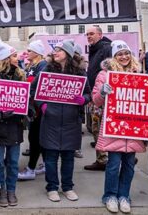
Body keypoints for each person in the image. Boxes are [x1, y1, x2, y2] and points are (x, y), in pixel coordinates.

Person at [31, 40, 91, 203]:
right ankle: (52, 187)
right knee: (50, 157)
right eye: (54, 50)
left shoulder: (79, 73)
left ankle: (67, 187)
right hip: (51, 119)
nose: (55, 52)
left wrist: (83, 100)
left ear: (68, 54)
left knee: (68, 157)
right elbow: (33, 90)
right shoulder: (46, 69)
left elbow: (88, 94)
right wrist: (41, 104)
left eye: (59, 50)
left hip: (71, 121)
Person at [92, 40, 146, 213]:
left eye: (126, 53)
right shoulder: (104, 75)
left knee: (129, 165)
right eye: (119, 54)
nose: (124, 57)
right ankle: (110, 196)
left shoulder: (138, 72)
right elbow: (96, 101)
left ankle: (124, 196)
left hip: (133, 127)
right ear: (114, 57)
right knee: (113, 164)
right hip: (114, 127)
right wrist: (102, 92)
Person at [0, 41, 25, 207]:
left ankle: (11, 190)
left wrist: (26, 111)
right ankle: (1, 190)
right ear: (5, 59)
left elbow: (26, 102)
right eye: (14, 56)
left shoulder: (20, 75)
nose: (17, 58)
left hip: (15, 126)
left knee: (13, 162)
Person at [18, 40, 47, 181]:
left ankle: (31, 168)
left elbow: (38, 84)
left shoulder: (43, 65)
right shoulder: (32, 65)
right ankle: (45, 164)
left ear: (37, 53)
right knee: (35, 136)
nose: (27, 52)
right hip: (32, 106)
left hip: (38, 107)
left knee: (35, 137)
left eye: (30, 50)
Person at [84, 26, 112, 171]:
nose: (89, 36)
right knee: (96, 127)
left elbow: (112, 70)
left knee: (100, 128)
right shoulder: (94, 48)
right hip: (96, 94)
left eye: (92, 34)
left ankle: (105, 159)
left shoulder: (106, 48)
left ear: (100, 35)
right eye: (87, 34)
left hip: (103, 96)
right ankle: (101, 158)